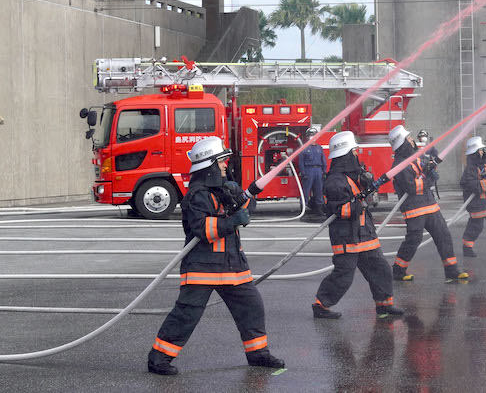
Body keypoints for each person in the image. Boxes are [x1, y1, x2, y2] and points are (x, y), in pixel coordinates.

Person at [147, 136, 284, 376]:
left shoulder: (223, 190)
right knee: (187, 314)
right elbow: (203, 228)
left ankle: (258, 354)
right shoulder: (197, 196)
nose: (225, 165)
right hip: (203, 267)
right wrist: (233, 220)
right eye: (221, 161)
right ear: (209, 165)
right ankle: (158, 358)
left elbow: (245, 211)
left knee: (252, 307)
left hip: (233, 266)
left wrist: (243, 199)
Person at [312, 131, 404, 320]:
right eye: (355, 150)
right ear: (346, 153)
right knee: (344, 276)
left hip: (365, 234)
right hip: (347, 236)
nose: (357, 154)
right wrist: (361, 201)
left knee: (381, 269)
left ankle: (384, 305)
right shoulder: (335, 181)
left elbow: (360, 195)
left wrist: (367, 189)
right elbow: (342, 211)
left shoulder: (353, 175)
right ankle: (320, 305)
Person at [389, 125, 468, 281]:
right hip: (414, 208)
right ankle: (398, 271)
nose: (412, 140)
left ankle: (452, 270)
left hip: (429, 204)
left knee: (443, 234)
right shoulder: (399, 165)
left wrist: (431, 169)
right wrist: (430, 179)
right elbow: (412, 187)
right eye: (409, 138)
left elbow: (425, 172)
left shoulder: (416, 158)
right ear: (402, 143)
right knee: (414, 239)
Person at [298, 127, 327, 223]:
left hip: (318, 170)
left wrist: (324, 170)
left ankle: (319, 209)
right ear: (307, 137)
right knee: (306, 191)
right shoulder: (304, 148)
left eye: (314, 135)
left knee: (319, 190)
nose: (312, 137)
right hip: (308, 170)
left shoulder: (319, 148)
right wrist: (303, 173)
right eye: (310, 135)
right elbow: (301, 162)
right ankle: (303, 209)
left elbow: (323, 160)